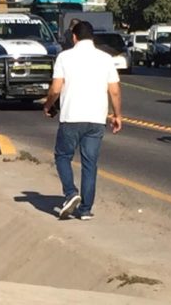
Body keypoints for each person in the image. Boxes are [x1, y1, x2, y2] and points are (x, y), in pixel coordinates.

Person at [43, 21, 123, 220]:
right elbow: (114, 90)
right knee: (90, 163)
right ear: (92, 37)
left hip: (71, 116)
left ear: (74, 37)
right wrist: (117, 115)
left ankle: (71, 193)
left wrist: (48, 105)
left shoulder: (64, 57)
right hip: (96, 119)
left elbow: (55, 89)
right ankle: (86, 209)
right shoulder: (106, 59)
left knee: (62, 156)